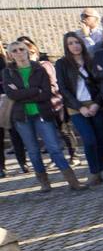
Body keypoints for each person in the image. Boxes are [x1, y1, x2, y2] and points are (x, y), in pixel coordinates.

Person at [3, 39, 83, 192]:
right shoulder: (7, 72)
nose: (19, 53)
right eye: (15, 51)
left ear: (28, 51)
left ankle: (73, 181)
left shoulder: (40, 69)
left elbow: (46, 93)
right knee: (33, 150)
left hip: (42, 114)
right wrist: (34, 91)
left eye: (21, 49)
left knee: (54, 148)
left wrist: (23, 94)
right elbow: (11, 94)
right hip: (22, 117)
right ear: (10, 55)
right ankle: (44, 183)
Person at [55, 31, 103, 184]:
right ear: (66, 46)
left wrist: (96, 104)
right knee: (89, 139)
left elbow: (101, 84)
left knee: (100, 138)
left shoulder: (91, 60)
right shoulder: (62, 63)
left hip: (96, 104)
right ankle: (93, 171)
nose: (75, 46)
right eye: (71, 43)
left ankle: (102, 170)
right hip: (76, 107)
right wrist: (80, 107)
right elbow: (63, 89)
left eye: (77, 42)